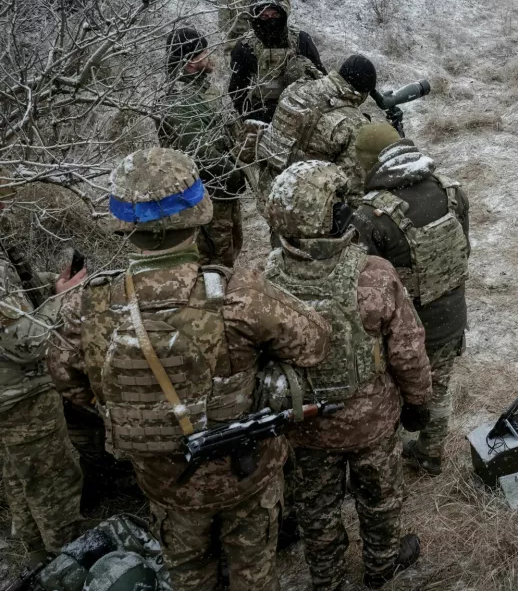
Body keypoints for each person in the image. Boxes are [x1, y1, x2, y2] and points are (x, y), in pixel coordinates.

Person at [46, 148, 332, 591]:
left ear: (123, 221)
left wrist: (132, 409)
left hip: (164, 480)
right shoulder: (237, 294)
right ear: (199, 213)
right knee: (253, 574)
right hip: (247, 475)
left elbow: (66, 379)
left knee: (186, 573)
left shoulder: (85, 306)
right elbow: (314, 343)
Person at [263, 160, 432, 590]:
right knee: (380, 500)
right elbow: (408, 351)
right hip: (370, 421)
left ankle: (328, 579)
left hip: (303, 423)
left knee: (316, 510)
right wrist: (418, 403)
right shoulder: (373, 274)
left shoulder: (266, 278)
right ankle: (382, 564)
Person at [351, 125, 470, 476]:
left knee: (386, 397)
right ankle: (430, 453)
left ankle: (384, 468)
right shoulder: (452, 191)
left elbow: (366, 289)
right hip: (451, 313)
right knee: (439, 388)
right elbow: (465, 251)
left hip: (401, 331)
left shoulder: (371, 216)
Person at [0, 238, 85, 563]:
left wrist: (52, 286)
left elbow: (14, 303)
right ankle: (68, 563)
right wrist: (65, 298)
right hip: (21, 397)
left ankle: (37, 557)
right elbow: (26, 342)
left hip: (11, 396)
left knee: (24, 477)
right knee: (54, 482)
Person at [159, 27, 247, 268]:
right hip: (207, 198)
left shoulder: (198, 88)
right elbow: (201, 154)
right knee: (214, 264)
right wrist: (235, 175)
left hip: (218, 193)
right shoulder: (181, 101)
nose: (209, 56)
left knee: (227, 251)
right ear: (190, 62)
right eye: (203, 52)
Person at [255, 54, 376, 209]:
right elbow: (355, 190)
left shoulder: (296, 88)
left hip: (271, 196)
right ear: (364, 93)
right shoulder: (355, 124)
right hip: (306, 212)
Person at [228, 0, 326, 124]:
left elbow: (321, 79)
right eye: (264, 16)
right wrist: (252, 118)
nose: (270, 20)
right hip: (261, 115)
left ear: (282, 14)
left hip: (302, 114)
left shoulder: (300, 40)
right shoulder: (244, 47)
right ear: (255, 18)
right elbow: (237, 91)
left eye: (274, 15)